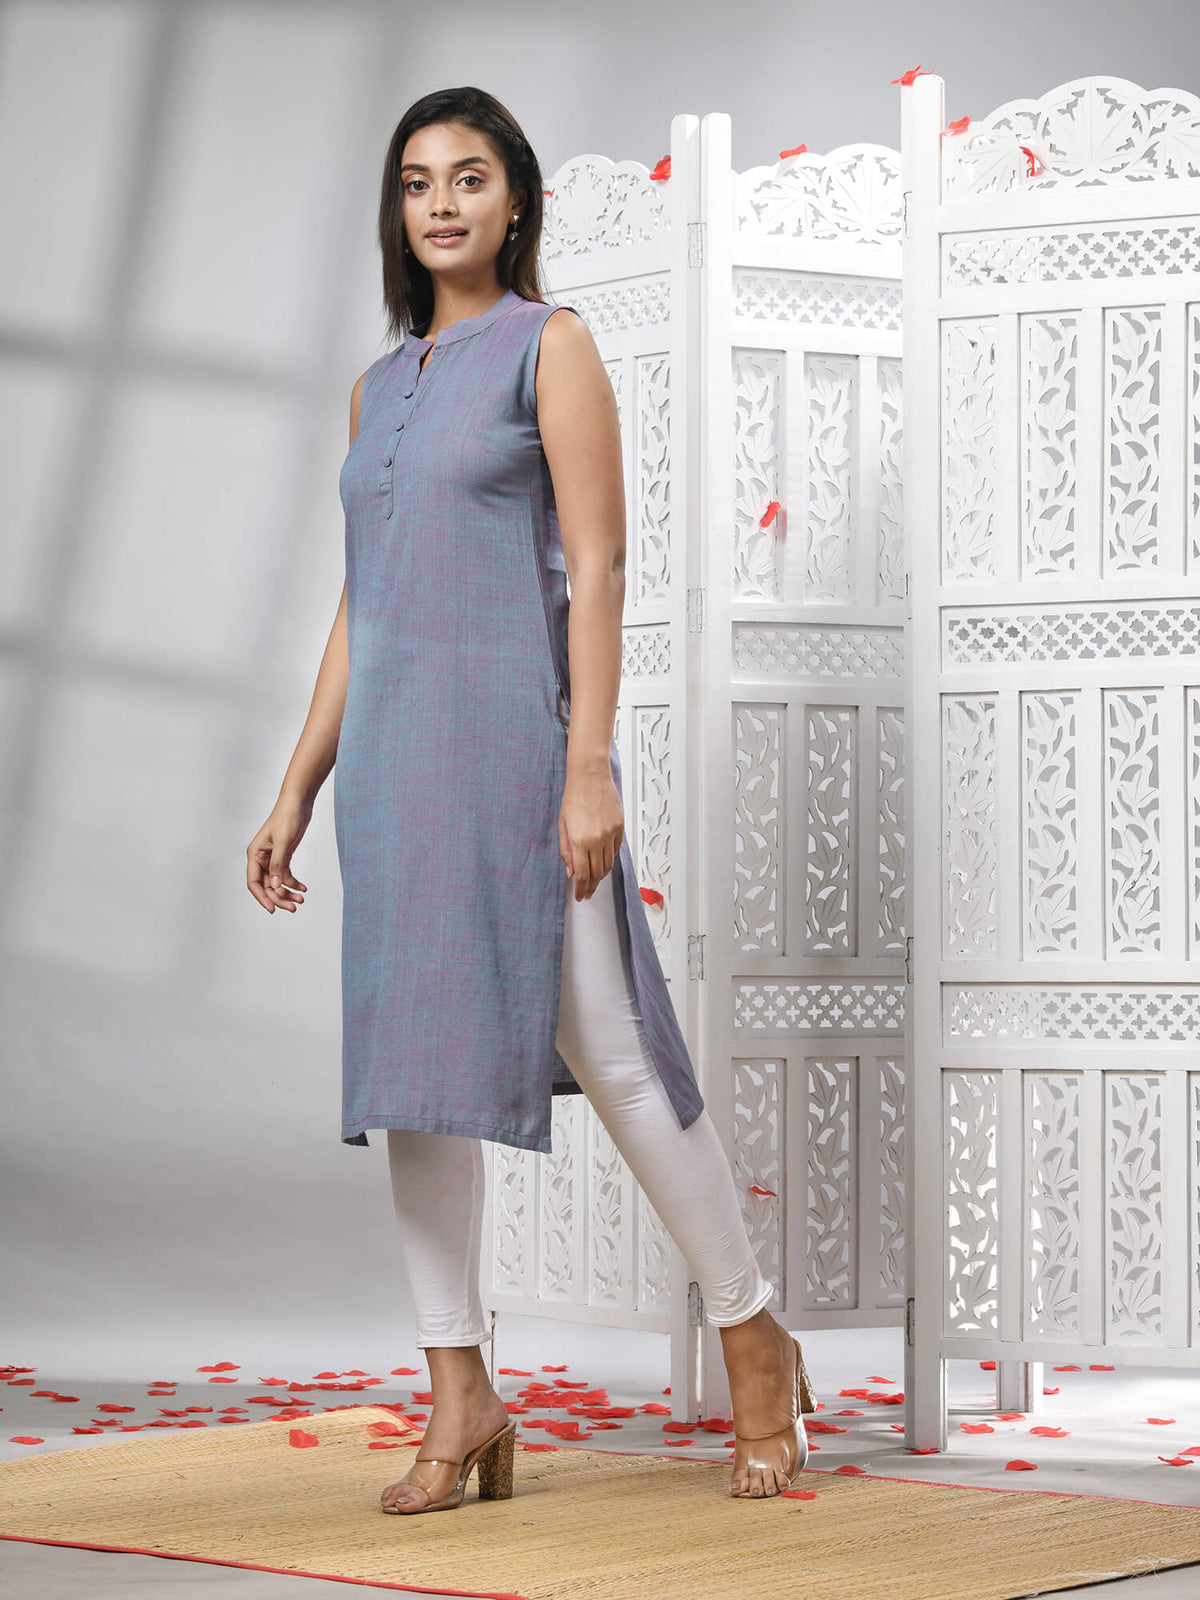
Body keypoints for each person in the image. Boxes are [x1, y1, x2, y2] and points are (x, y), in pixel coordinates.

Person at [246, 85, 813, 1513]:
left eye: (469, 178)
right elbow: (364, 604)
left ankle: (752, 1331)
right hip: (394, 773)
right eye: (417, 182)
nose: (441, 203)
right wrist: (298, 785)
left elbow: (599, 568)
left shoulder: (549, 346)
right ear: (399, 211)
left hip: (516, 750)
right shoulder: (378, 388)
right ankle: (463, 1393)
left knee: (612, 1048)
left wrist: (590, 764)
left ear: (517, 203)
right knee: (416, 1089)